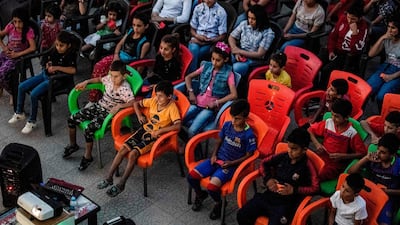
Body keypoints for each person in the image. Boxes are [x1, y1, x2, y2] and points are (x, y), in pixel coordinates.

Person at [96, 81, 181, 197]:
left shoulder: (172, 107)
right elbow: (136, 103)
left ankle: (121, 184)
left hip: (156, 137)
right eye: (156, 94)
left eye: (160, 96)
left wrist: (160, 131)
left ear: (169, 96)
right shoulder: (153, 101)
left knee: (133, 154)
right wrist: (139, 115)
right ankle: (109, 178)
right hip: (144, 129)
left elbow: (178, 126)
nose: (157, 98)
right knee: (123, 149)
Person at [187, 99, 257, 220]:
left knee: (212, 188)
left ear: (245, 117)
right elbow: (219, 140)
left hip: (230, 165)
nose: (234, 121)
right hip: (217, 158)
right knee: (191, 176)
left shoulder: (249, 135)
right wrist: (214, 155)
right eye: (233, 117)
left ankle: (219, 204)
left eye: (238, 119)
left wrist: (231, 163)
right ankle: (200, 195)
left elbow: (249, 155)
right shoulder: (227, 125)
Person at [236, 128, 320, 225]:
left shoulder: (308, 166)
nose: (289, 151)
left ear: (304, 150)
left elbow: (315, 188)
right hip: (269, 196)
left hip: (286, 205)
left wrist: (294, 190)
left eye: (294, 149)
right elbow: (263, 163)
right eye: (289, 147)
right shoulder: (283, 156)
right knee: (242, 215)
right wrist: (268, 180)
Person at [64, 60, 135, 171]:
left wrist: (120, 106)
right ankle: (73, 145)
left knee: (89, 129)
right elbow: (99, 79)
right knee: (72, 119)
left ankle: (88, 156)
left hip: (109, 114)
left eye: (116, 76)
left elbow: (132, 102)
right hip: (98, 106)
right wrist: (86, 82)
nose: (112, 79)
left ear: (124, 76)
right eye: (111, 75)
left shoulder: (125, 89)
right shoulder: (109, 79)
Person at [8, 31, 78, 134]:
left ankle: (32, 121)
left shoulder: (70, 55)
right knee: (21, 86)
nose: (58, 47)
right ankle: (19, 113)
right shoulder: (55, 50)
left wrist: (57, 67)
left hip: (56, 80)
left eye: (61, 46)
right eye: (57, 44)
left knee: (34, 94)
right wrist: (48, 64)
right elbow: (47, 58)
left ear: (68, 46)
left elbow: (73, 70)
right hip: (45, 75)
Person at [88, 13, 150, 103]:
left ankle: (106, 98)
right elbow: (119, 44)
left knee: (111, 76)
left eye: (139, 26)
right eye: (134, 25)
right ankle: (94, 98)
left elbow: (141, 62)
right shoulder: (130, 31)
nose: (135, 28)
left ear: (146, 26)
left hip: (128, 64)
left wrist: (134, 78)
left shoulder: (145, 43)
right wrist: (116, 55)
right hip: (118, 57)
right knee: (99, 66)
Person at [184, 42, 237, 138]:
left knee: (192, 131)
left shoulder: (229, 74)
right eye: (212, 59)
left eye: (218, 60)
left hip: (210, 109)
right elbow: (188, 77)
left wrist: (217, 103)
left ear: (226, 59)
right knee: (179, 120)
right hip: (196, 102)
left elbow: (234, 95)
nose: (214, 62)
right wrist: (191, 92)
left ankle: (189, 149)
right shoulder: (206, 66)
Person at [308, 98, 367, 181]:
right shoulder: (328, 123)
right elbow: (310, 130)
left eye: (337, 117)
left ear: (346, 117)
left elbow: (362, 153)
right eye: (332, 114)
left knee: (318, 174)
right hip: (321, 156)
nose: (333, 118)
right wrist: (317, 144)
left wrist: (343, 156)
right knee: (305, 165)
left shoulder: (351, 133)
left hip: (336, 164)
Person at [348, 133, 400, 225]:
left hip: (387, 197)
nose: (378, 154)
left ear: (392, 154)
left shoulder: (398, 166)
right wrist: (366, 158)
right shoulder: (373, 159)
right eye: (378, 150)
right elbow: (350, 172)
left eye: (383, 152)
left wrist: (386, 191)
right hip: (369, 192)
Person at [318, 2, 368, 89]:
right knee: (316, 63)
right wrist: (331, 50)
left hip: (347, 55)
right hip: (335, 50)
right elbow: (333, 36)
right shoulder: (343, 19)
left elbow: (355, 50)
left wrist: (355, 34)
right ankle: (313, 87)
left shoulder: (363, 28)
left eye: (353, 19)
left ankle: (321, 92)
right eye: (348, 17)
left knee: (327, 70)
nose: (349, 20)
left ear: (360, 18)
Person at [228, 5, 275, 78]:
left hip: (253, 59)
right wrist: (235, 50)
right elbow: (231, 37)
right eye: (249, 17)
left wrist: (239, 51)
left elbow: (259, 54)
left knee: (236, 68)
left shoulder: (268, 33)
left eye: (253, 19)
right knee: (222, 56)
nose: (250, 21)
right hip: (240, 51)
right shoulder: (244, 24)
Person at [0, 7, 36, 100]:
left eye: (20, 22)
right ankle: (5, 86)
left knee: (1, 73)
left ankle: (13, 92)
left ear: (25, 21)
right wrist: (4, 47)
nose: (17, 25)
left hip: (18, 58)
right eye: (15, 21)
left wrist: (17, 54)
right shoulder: (10, 27)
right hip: (7, 54)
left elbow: (33, 48)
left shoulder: (28, 31)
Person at [366, 15, 400, 107]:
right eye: (388, 27)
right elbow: (371, 54)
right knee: (368, 89)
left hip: (397, 72)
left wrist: (391, 77)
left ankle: (384, 116)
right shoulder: (387, 38)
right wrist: (382, 38)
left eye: (393, 28)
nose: (389, 30)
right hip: (385, 67)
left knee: (382, 96)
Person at [187, 0, 227, 73]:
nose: (207, 1)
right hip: (197, 38)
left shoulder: (221, 12)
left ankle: (193, 75)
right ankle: (193, 75)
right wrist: (197, 36)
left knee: (197, 53)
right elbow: (192, 29)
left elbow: (222, 36)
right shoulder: (198, 8)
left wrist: (207, 42)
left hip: (211, 42)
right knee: (194, 49)